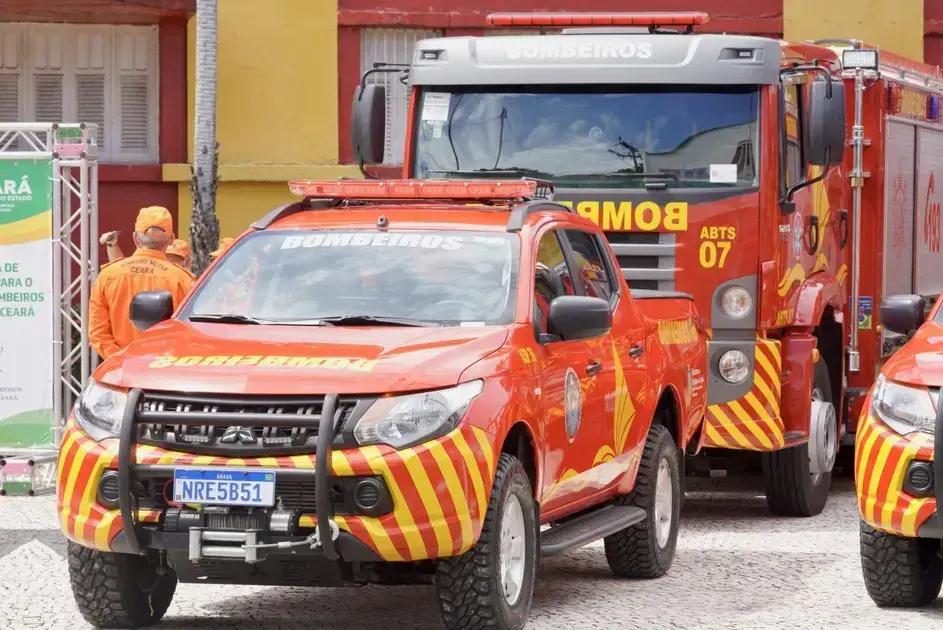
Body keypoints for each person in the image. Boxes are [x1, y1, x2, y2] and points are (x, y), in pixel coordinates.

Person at [89, 206, 194, 359]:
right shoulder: (183, 279)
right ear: (171, 239)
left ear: (135, 238)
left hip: (122, 372)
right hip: (164, 371)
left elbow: (97, 333)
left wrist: (121, 359)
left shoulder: (109, 275)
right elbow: (190, 332)